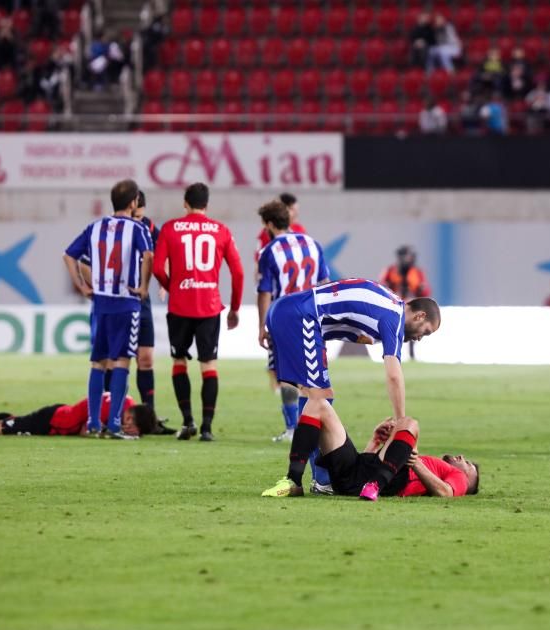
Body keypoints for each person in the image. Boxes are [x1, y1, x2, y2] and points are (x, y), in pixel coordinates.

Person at [260, 279, 441, 497]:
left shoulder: (389, 303)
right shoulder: (395, 317)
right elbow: (394, 375)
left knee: (315, 396)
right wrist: (400, 422)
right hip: (301, 316)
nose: (420, 338)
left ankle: (317, 479)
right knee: (318, 397)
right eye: (426, 331)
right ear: (420, 316)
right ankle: (314, 480)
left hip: (290, 311)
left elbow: (350, 312)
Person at [153, 182, 244, 442]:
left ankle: (188, 421)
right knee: (209, 365)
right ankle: (206, 427)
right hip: (208, 306)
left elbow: (159, 267)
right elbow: (237, 272)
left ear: (185, 202)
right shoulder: (221, 230)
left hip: (180, 306)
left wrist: (172, 287)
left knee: (179, 361)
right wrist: (234, 308)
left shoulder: (170, 228)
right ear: (207, 204)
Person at [63, 179, 150, 440]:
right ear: (134, 202)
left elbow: (69, 255)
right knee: (122, 361)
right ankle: (113, 425)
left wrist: (81, 285)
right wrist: (143, 286)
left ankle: (92, 422)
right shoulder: (137, 228)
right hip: (125, 302)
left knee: (98, 363)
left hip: (100, 304)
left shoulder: (95, 227)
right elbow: (149, 256)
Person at [262, 399, 479, 500]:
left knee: (410, 423)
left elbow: (445, 493)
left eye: (468, 464)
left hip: (383, 481)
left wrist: (417, 463)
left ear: (467, 482)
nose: (462, 458)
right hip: (357, 476)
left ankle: (374, 486)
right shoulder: (420, 463)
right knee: (317, 404)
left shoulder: (456, 478)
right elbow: (367, 469)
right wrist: (374, 443)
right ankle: (294, 482)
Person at [255, 199, 330, 444]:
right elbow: (324, 284)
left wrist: (262, 326)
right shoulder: (313, 244)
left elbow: (264, 291)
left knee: (287, 375)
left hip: (284, 319)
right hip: (311, 317)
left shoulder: (269, 251)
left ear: (268, 223)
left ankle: (292, 428)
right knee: (312, 375)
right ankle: (315, 424)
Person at [0, 394, 155, 438]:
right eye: (131, 424)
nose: (127, 425)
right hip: (51, 422)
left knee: (12, 419)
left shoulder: (125, 401)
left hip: (57, 415)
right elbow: (84, 431)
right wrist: (120, 433)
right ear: (131, 416)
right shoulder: (109, 412)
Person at [255, 192, 307, 263]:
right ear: (283, 210)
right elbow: (259, 259)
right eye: (292, 209)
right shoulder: (268, 231)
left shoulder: (299, 229)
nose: (296, 213)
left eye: (297, 210)